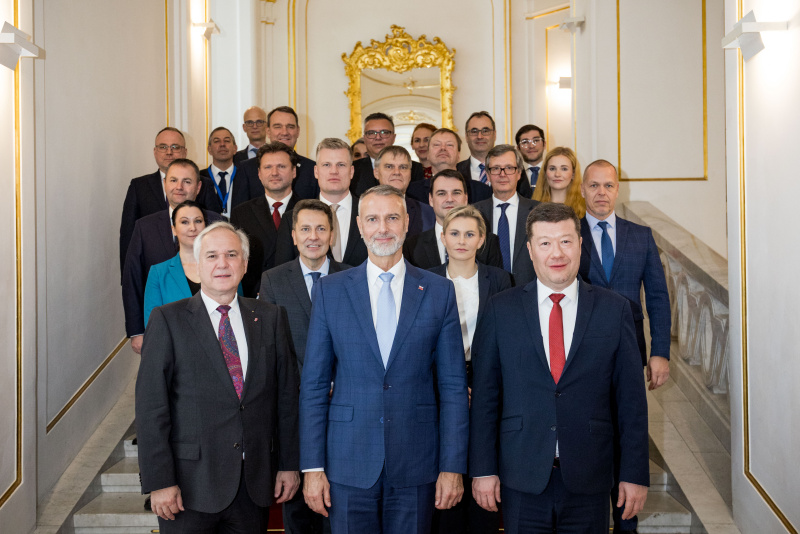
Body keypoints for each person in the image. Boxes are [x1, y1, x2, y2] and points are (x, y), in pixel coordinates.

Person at [470, 202, 650, 534]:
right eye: (545, 243)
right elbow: (485, 399)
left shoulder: (615, 310)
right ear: (530, 249)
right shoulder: (501, 310)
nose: (557, 252)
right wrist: (482, 469)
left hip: (590, 476)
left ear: (581, 244)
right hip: (521, 474)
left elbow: (632, 404)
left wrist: (634, 473)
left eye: (566, 241)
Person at [300, 185, 469, 534]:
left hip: (418, 462)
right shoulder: (331, 291)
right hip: (346, 464)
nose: (383, 228)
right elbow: (314, 385)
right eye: (373, 219)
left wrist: (452, 466)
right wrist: (312, 467)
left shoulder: (439, 291)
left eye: (392, 217)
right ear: (359, 226)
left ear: (408, 223)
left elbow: (453, 387)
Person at [136, 221, 300, 533]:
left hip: (253, 485)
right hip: (187, 487)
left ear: (245, 264)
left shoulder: (270, 317)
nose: (222, 264)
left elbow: (287, 400)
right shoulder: (168, 320)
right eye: (211, 256)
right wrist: (160, 481)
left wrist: (289, 464)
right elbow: (151, 408)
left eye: (231, 254)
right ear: (196, 266)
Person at [578, 160, 671, 533]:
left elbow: (659, 298)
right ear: (582, 189)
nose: (602, 192)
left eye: (608, 186)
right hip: (583, 350)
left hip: (631, 348)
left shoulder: (641, 235)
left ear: (618, 190)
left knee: (628, 428)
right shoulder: (570, 233)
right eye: (594, 185)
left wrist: (659, 351)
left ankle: (626, 521)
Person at [260, 200, 351, 534]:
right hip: (296, 411)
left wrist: (339, 382)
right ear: (294, 236)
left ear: (332, 233)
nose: (314, 236)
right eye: (305, 229)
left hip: (347, 408)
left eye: (321, 228)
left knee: (343, 508)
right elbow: (272, 349)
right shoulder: (272, 280)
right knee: (300, 514)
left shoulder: (353, 275)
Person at [428, 204, 511, 534]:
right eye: (454, 233)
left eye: (470, 234)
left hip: (486, 384)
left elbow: (508, 339)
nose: (461, 240)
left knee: (482, 471)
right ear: (443, 237)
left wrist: (484, 386)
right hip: (436, 388)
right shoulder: (425, 279)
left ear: (481, 240)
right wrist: (449, 386)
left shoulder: (501, 280)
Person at [123, 159, 224, 354]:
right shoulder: (144, 227)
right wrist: (136, 331)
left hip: (214, 326)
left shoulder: (217, 222)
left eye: (187, 181)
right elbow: (132, 278)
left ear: (198, 186)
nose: (179, 187)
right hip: (165, 329)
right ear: (165, 184)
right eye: (173, 180)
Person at [230, 142, 298, 297]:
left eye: (281, 166)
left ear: (294, 171)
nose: (274, 173)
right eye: (268, 167)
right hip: (253, 298)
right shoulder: (241, 213)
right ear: (259, 174)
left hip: (297, 295)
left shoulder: (308, 211)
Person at [119, 127, 187, 280]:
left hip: (194, 272)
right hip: (151, 272)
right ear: (155, 151)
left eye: (175, 147)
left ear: (185, 152)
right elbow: (127, 235)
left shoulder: (202, 185)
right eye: (163, 147)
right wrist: (128, 277)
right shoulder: (139, 186)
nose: (169, 152)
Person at [404, 169, 503, 270]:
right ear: (431, 200)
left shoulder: (488, 243)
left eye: (456, 193)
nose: (450, 199)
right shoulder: (412, 246)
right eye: (442, 193)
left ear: (466, 198)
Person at [474, 145, 540, 286]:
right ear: (487, 173)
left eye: (509, 168)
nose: (502, 174)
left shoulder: (538, 212)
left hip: (528, 291)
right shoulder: (473, 213)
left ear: (519, 173)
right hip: (487, 292)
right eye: (496, 168)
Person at [238, 106, 319, 200]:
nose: (284, 132)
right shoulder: (246, 169)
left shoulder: (312, 169)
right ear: (268, 131)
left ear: (298, 131)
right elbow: (240, 212)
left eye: (290, 127)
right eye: (278, 127)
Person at [406, 128, 492, 205]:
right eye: (437, 145)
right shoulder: (411, 192)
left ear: (458, 155)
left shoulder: (482, 191)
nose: (443, 148)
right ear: (428, 154)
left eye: (449, 145)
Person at [351, 112, 425, 196]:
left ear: (393, 137)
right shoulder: (352, 169)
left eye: (384, 132)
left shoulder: (415, 168)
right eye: (371, 133)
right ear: (364, 138)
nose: (378, 138)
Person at [373, 145, 435, 237]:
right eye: (389, 167)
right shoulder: (361, 209)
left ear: (410, 173)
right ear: (376, 173)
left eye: (403, 167)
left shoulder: (428, 213)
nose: (397, 172)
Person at [199, 127, 261, 217]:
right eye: (216, 141)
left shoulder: (248, 176)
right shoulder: (200, 177)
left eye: (227, 141)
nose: (222, 144)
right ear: (209, 149)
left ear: (235, 149)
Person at [532, 146, 586, 218]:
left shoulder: (585, 209)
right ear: (545, 173)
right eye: (552, 168)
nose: (557, 174)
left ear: (573, 174)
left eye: (564, 169)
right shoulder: (532, 208)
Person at [456, 112, 496, 185]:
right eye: (474, 131)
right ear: (466, 136)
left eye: (485, 131)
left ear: (494, 135)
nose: (480, 136)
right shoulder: (455, 170)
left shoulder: (512, 169)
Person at [515, 124, 546, 197]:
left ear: (544, 144)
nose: (531, 146)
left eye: (536, 140)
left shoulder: (555, 172)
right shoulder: (513, 173)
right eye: (525, 142)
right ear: (518, 148)